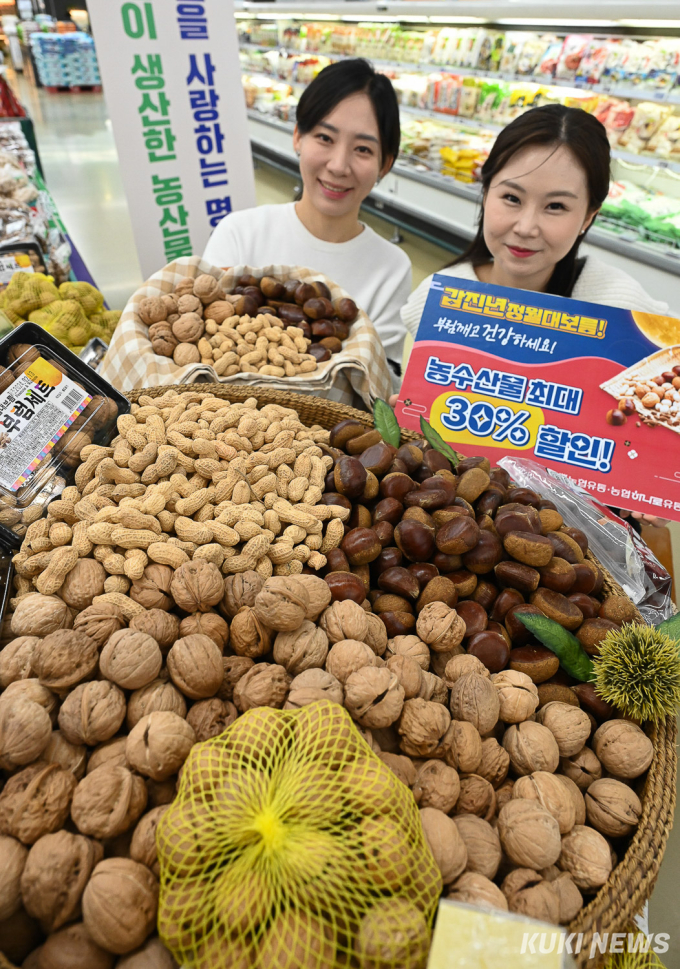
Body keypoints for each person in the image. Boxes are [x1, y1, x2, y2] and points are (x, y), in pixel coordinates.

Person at [398, 104, 672, 527]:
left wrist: (650, 483)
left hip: (574, 542)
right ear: (485, 191)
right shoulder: (437, 304)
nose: (526, 226)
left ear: (589, 217)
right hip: (459, 527)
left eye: (556, 207)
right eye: (511, 197)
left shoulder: (621, 310)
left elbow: (646, 439)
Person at [203, 58, 412, 374]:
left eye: (363, 150)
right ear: (298, 136)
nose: (339, 165)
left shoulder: (391, 267)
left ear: (385, 164)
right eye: (325, 138)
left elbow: (383, 376)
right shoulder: (240, 233)